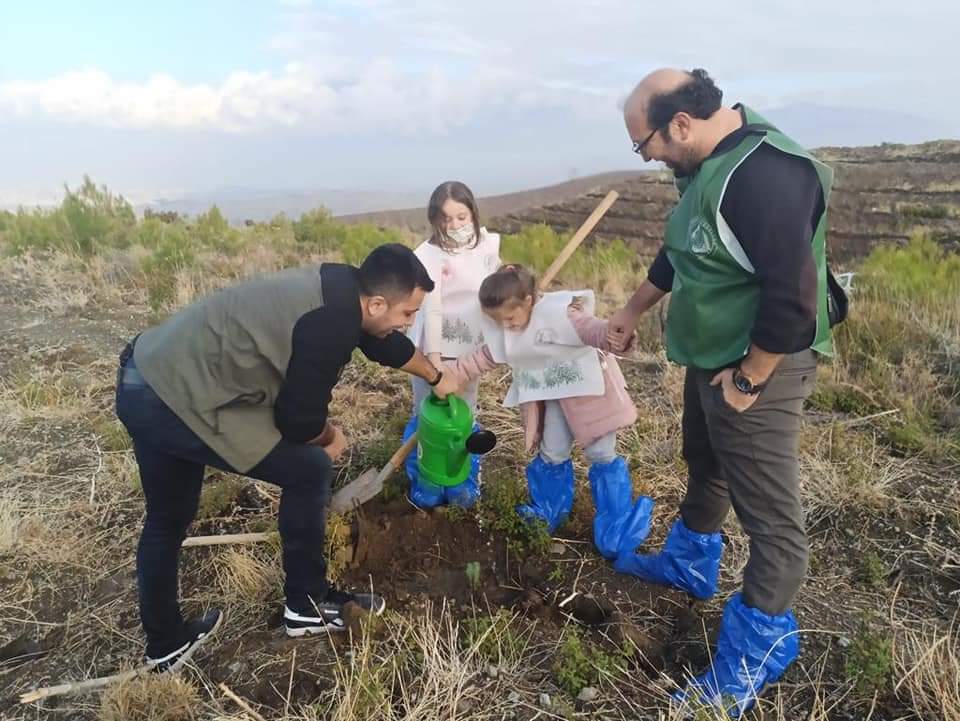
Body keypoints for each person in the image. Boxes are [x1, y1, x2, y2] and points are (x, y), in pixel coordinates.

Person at [607, 68, 834, 717]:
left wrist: (748, 379)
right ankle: (689, 562)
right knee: (705, 462)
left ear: (681, 123)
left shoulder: (765, 176)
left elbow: (793, 302)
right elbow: (683, 246)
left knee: (772, 518)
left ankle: (756, 649)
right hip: (712, 352)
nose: (647, 156)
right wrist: (633, 309)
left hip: (759, 361)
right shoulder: (702, 166)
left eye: (643, 142)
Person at [115, 243, 458, 672]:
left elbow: (379, 342)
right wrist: (331, 436)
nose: (409, 323)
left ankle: (164, 644)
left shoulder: (342, 287)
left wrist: (436, 375)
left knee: (167, 520)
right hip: (177, 401)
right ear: (374, 303)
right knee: (309, 468)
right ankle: (307, 604)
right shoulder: (329, 325)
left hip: (146, 372)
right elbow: (298, 422)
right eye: (408, 314)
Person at [445, 264, 653, 560]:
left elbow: (592, 330)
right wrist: (452, 374)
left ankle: (616, 526)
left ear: (528, 301)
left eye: (510, 318)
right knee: (552, 452)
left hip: (589, 397)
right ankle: (547, 511)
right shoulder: (510, 328)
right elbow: (485, 356)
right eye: (499, 321)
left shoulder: (561, 314)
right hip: (551, 398)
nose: (506, 326)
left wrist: (614, 337)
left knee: (601, 454)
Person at [402, 181, 501, 508]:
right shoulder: (427, 256)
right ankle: (427, 479)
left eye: (461, 216)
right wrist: (434, 366)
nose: (455, 225)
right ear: (435, 219)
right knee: (428, 413)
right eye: (446, 219)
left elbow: (495, 281)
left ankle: (462, 478)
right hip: (432, 346)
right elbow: (432, 308)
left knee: (463, 414)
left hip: (470, 347)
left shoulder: (485, 245)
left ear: (472, 211)